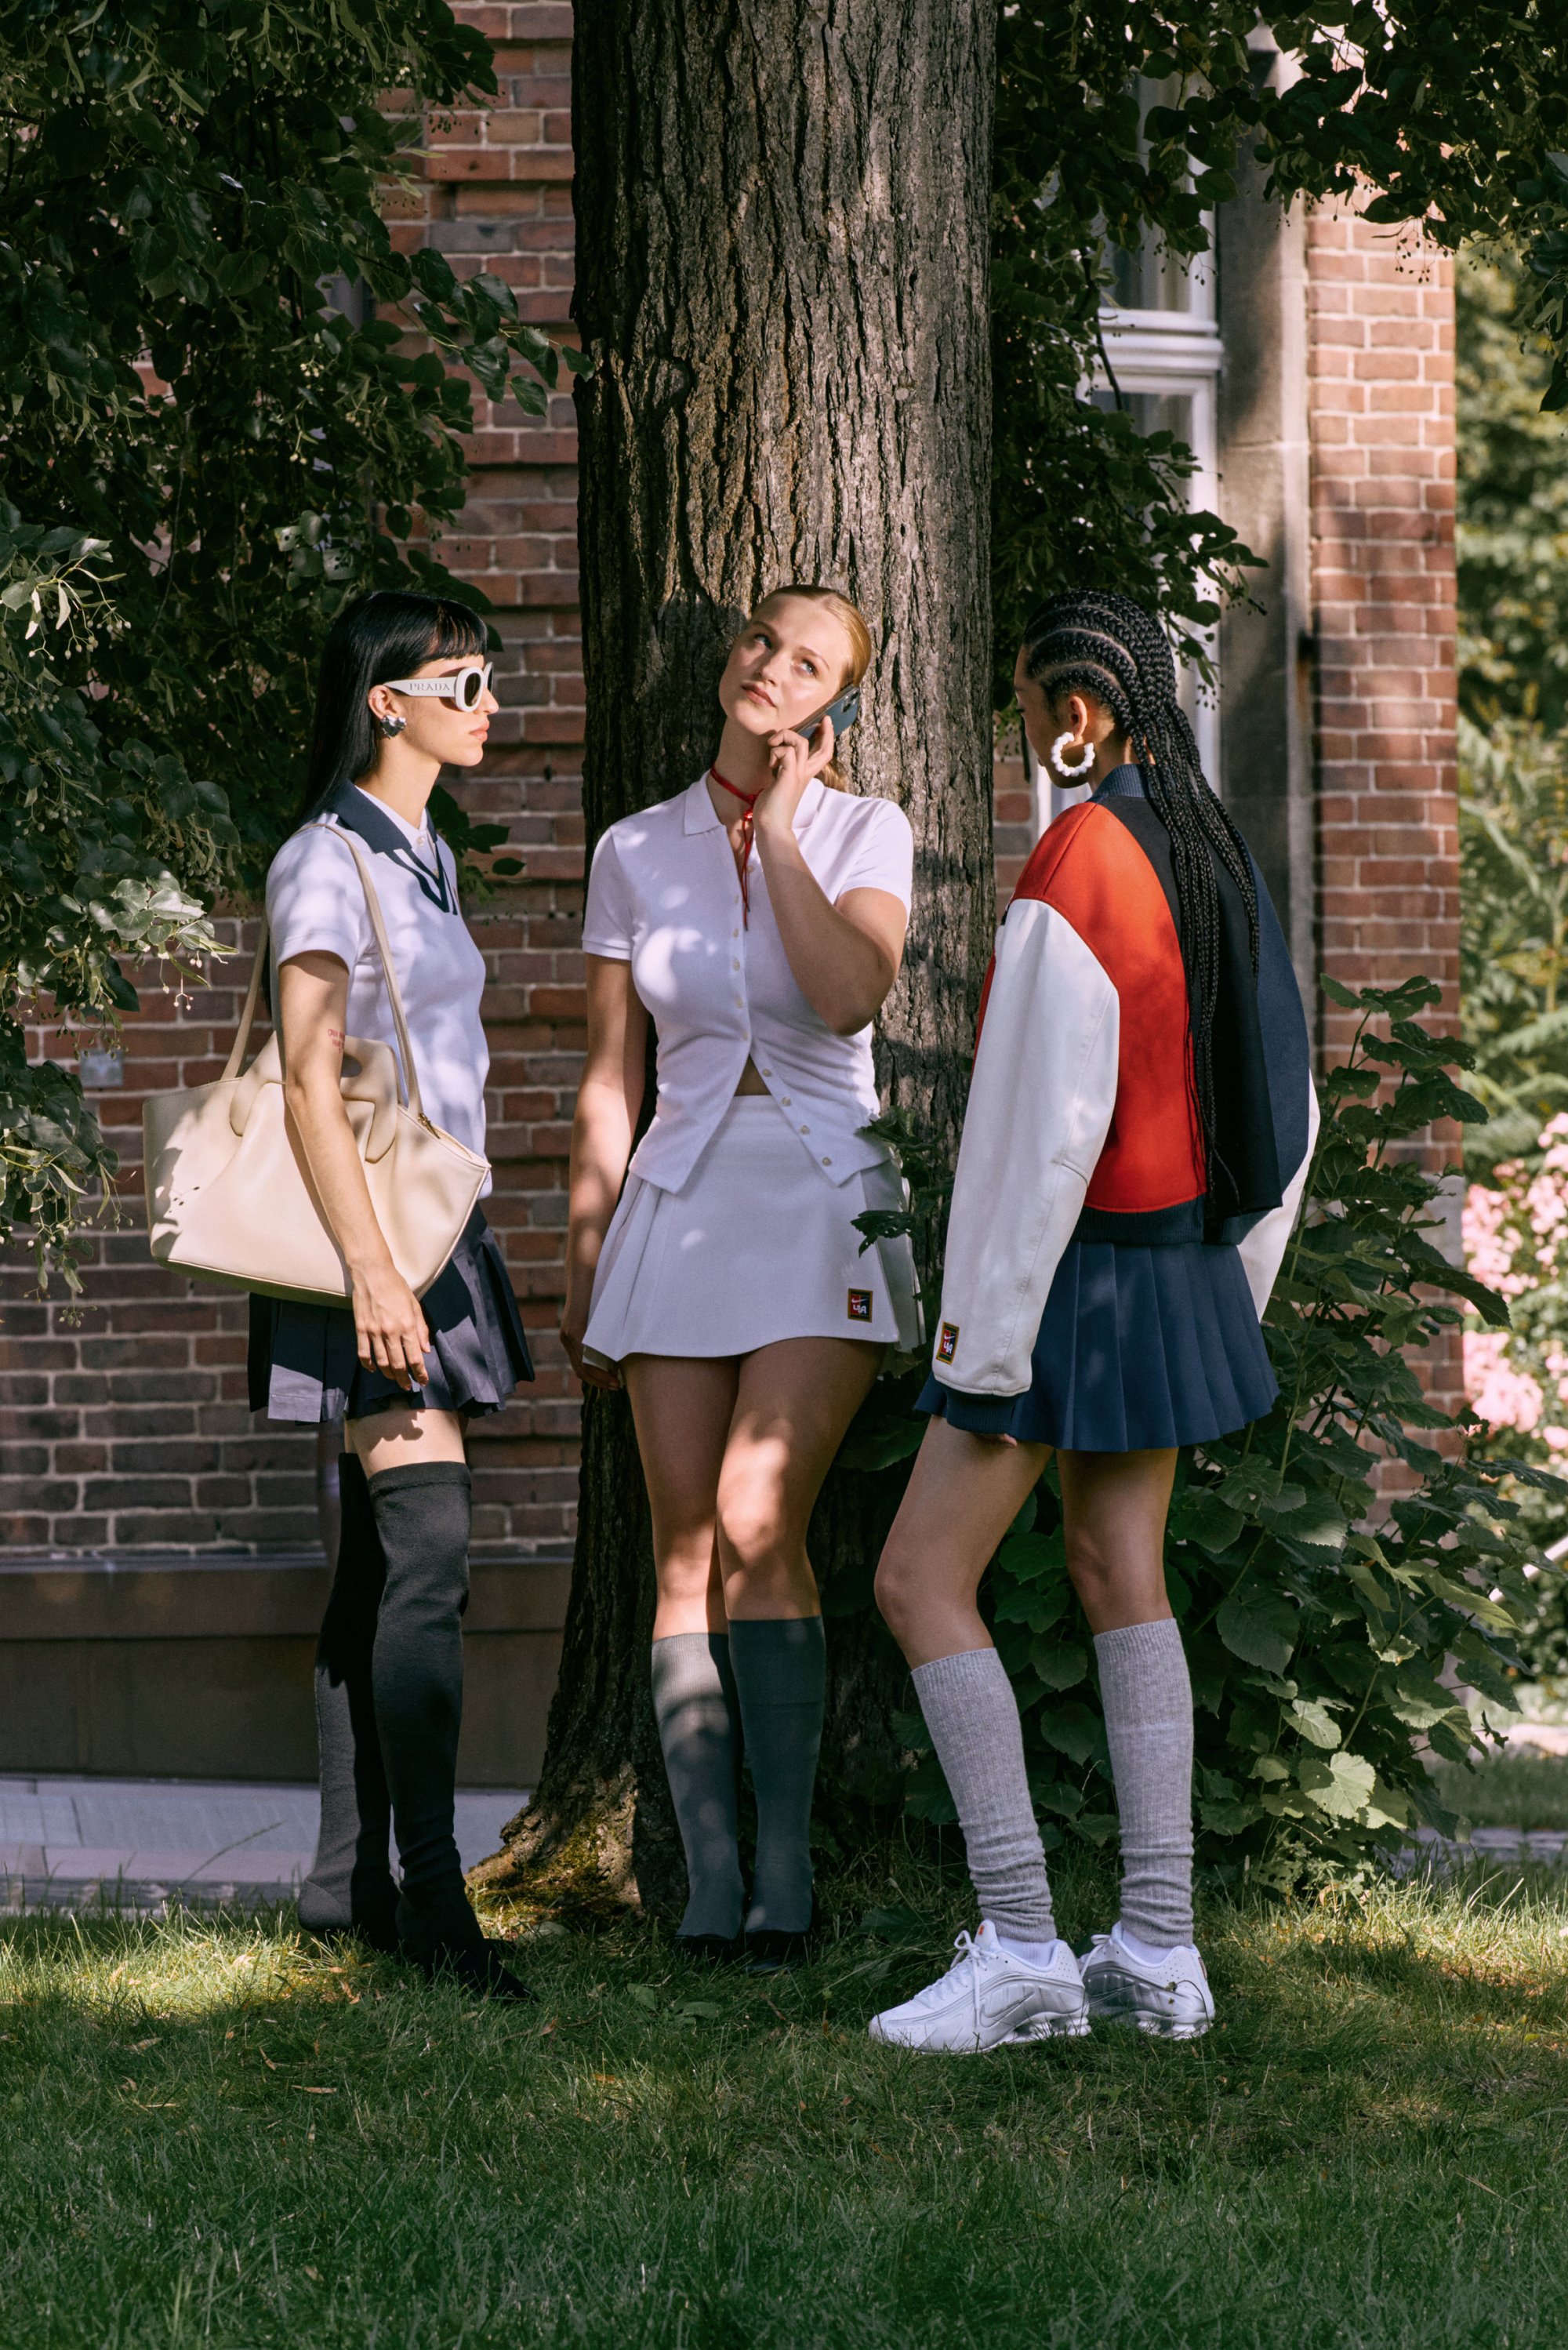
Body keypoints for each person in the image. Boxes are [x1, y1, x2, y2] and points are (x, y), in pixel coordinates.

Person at [869, 589, 1316, 2051]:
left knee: (918, 1578)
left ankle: (1020, 1945)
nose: (1025, 735)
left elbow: (1030, 1134)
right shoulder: (1216, 856)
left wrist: (977, 1340)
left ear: (1077, 716)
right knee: (1125, 1572)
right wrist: (1228, 1279)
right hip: (1177, 1268)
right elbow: (1288, 1114)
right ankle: (1163, 1952)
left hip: (1066, 1275)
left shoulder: (1081, 849)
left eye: (1024, 708)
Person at [563, 584, 920, 1967]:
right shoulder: (633, 847)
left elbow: (846, 995)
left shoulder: (862, 828)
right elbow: (612, 1075)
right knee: (683, 1546)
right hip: (677, 1196)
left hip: (823, 1189)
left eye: (809, 661)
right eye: (763, 640)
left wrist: (775, 828)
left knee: (763, 1516)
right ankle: (709, 1878)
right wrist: (586, 1250)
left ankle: (789, 1865)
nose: (772, 666)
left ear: (835, 704)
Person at [250, 588, 535, 2000]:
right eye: (467, 680)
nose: (489, 703)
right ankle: (435, 1900)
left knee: (380, 1563)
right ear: (390, 702)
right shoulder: (323, 859)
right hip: (369, 1249)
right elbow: (308, 1077)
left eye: (492, 678)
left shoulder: (426, 854)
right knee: (430, 1552)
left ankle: (341, 1880)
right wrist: (370, 1269)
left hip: (435, 1232)